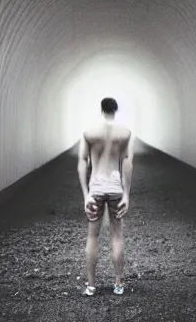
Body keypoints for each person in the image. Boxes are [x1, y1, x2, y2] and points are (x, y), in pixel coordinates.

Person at [77, 97, 134, 296]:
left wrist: (86, 195)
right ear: (116, 110)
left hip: (97, 187)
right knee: (117, 236)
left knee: (92, 236)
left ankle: (91, 285)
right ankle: (118, 283)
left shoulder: (89, 133)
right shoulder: (125, 134)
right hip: (115, 187)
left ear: (101, 110)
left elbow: (82, 163)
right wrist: (126, 194)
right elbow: (127, 163)